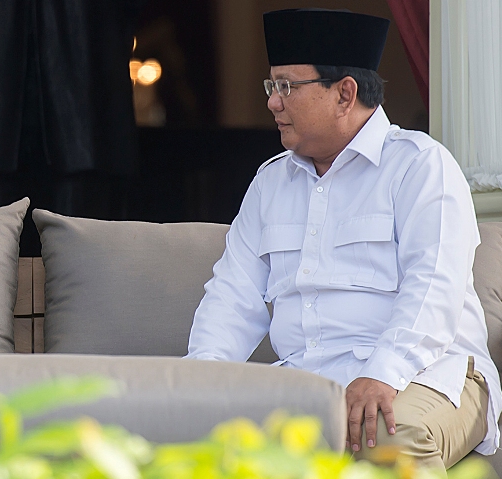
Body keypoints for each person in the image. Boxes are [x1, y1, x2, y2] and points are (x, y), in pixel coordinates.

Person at [186, 8, 500, 473]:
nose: (273, 103)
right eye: (271, 87)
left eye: (287, 87)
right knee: (204, 440)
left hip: (431, 372)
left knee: (387, 436)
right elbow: (232, 297)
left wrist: (382, 373)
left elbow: (433, 289)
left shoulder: (420, 166)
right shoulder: (269, 183)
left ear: (344, 93)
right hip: (309, 381)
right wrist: (198, 384)